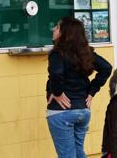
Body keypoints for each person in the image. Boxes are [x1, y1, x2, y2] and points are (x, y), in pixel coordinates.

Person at [46, 16, 113, 158]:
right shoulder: (85, 52)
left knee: (68, 155)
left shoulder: (57, 53)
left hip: (61, 112)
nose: (53, 29)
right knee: (78, 152)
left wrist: (57, 92)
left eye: (57, 27)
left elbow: (56, 74)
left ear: (65, 32)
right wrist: (91, 92)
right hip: (83, 111)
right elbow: (106, 68)